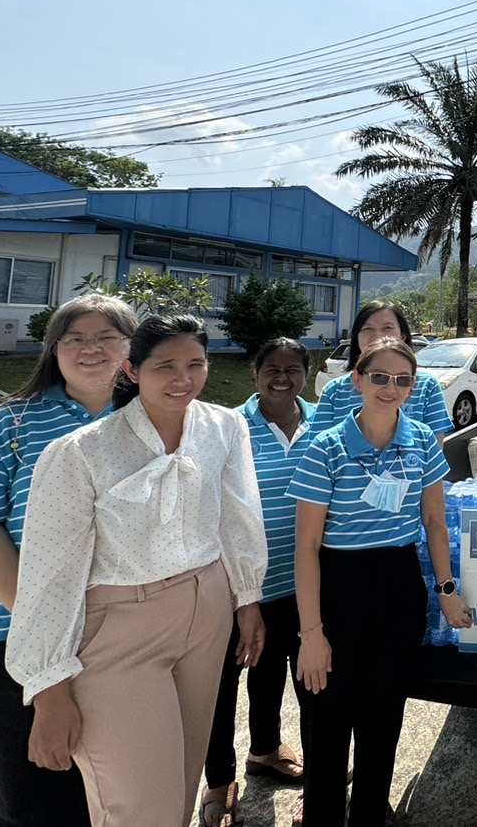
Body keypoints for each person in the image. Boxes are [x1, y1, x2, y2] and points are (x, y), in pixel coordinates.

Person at [5, 313, 269, 827]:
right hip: (119, 628)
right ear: (131, 369)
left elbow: (239, 514)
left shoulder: (224, 426)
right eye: (164, 366)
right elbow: (50, 575)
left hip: (207, 613)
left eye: (195, 364)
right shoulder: (81, 453)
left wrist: (248, 599)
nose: (182, 379)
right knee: (141, 809)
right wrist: (48, 686)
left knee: (181, 786)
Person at [0, 294, 137, 827]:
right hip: (10, 637)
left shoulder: (150, 423)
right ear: (54, 351)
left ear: (132, 349)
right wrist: (42, 618)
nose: (91, 348)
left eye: (107, 336)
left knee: (112, 797)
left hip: (118, 638)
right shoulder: (14, 424)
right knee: (32, 801)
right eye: (75, 338)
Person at [289, 337, 472, 827]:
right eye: (379, 378)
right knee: (327, 722)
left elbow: (434, 523)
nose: (391, 388)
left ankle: (369, 815)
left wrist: (447, 591)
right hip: (336, 587)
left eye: (403, 380)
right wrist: (311, 635)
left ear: (414, 387)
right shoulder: (325, 449)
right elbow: (305, 547)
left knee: (383, 719)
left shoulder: (422, 444)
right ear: (357, 381)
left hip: (397, 588)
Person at [200, 338, 318, 827]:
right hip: (236, 587)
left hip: (302, 584)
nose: (282, 377)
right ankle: (219, 783)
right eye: (272, 368)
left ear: (307, 374)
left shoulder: (324, 424)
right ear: (255, 373)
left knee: (282, 677)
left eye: (293, 368)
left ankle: (266, 750)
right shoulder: (229, 427)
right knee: (222, 686)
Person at [314, 301, 451, 440]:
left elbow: (434, 450)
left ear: (402, 336)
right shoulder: (333, 392)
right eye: (368, 329)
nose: (377, 336)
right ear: (356, 337)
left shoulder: (428, 387)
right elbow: (318, 451)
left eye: (387, 328)